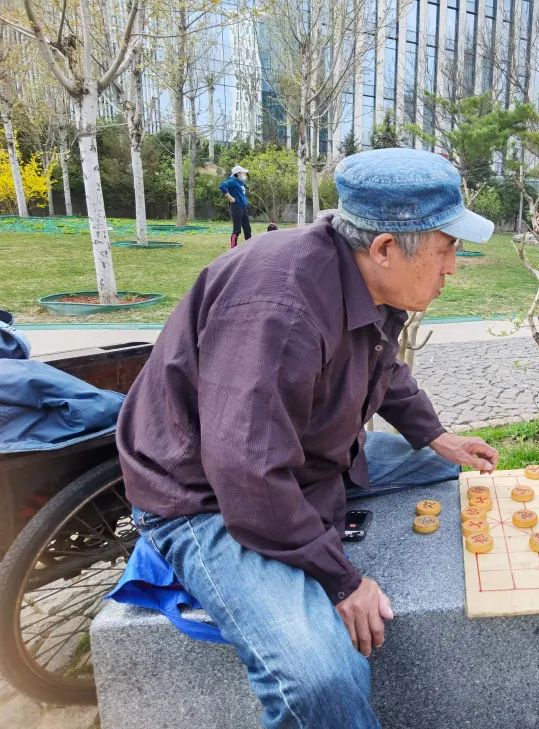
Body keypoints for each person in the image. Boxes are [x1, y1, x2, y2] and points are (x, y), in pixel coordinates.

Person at [117, 148, 500, 729]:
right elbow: (246, 474)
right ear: (386, 248)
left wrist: (437, 437)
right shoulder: (280, 308)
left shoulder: (362, 275)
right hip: (206, 492)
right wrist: (343, 580)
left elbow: (382, 366)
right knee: (322, 677)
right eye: (447, 251)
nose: (452, 268)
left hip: (301, 454)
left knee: (442, 470)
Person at [219, 164, 252, 248]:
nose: (244, 174)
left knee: (247, 228)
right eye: (242, 173)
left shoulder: (239, 181)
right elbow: (222, 186)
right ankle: (233, 249)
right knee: (237, 229)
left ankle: (249, 247)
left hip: (243, 207)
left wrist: (248, 190)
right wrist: (230, 198)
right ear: (237, 173)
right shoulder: (232, 180)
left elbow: (241, 191)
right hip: (236, 207)